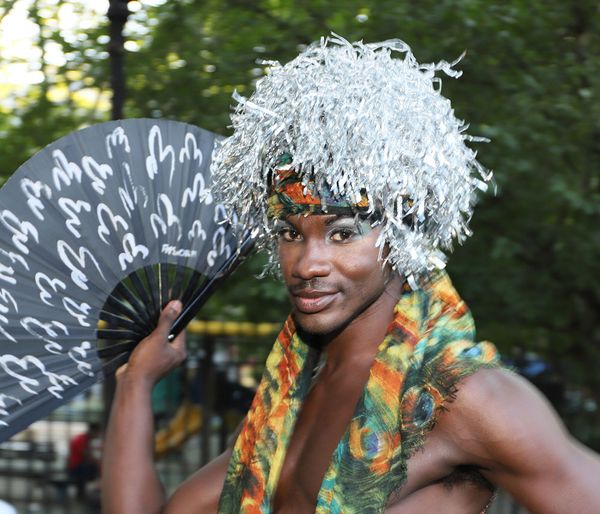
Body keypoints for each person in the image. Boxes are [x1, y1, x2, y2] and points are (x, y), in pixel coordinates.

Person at [101, 35, 600, 514]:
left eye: (342, 233)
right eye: (290, 232)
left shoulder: (462, 397)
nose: (307, 263)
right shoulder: (286, 402)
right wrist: (135, 383)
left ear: (399, 237)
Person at [68, 421, 101, 501]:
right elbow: (86, 455)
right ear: (93, 431)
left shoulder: (85, 439)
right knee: (93, 469)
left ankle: (85, 493)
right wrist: (98, 463)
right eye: (97, 433)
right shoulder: (81, 439)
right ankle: (83, 495)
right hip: (76, 466)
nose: (97, 435)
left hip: (79, 465)